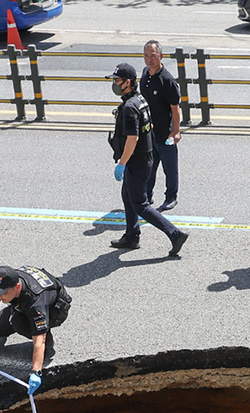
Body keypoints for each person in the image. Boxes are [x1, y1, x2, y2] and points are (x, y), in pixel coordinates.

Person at [107, 63, 188, 257]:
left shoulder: (129, 108)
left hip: (137, 161)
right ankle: (132, 235)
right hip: (145, 157)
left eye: (117, 81)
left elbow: (132, 138)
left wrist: (123, 163)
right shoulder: (139, 99)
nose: (115, 85)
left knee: (140, 204)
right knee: (127, 196)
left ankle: (175, 234)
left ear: (128, 82)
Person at [0, 265, 71, 397]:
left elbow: (39, 340)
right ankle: (15, 313)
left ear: (17, 287)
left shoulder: (35, 301)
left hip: (54, 308)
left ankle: (48, 337)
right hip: (21, 302)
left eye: (3, 292)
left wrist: (36, 372)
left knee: (19, 324)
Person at [141, 41, 182, 211]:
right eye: (146, 56)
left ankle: (171, 197)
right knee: (148, 168)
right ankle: (146, 196)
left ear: (161, 56)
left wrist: (176, 131)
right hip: (149, 133)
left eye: (153, 55)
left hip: (166, 133)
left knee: (169, 168)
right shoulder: (145, 74)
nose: (149, 59)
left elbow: (175, 108)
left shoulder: (167, 80)